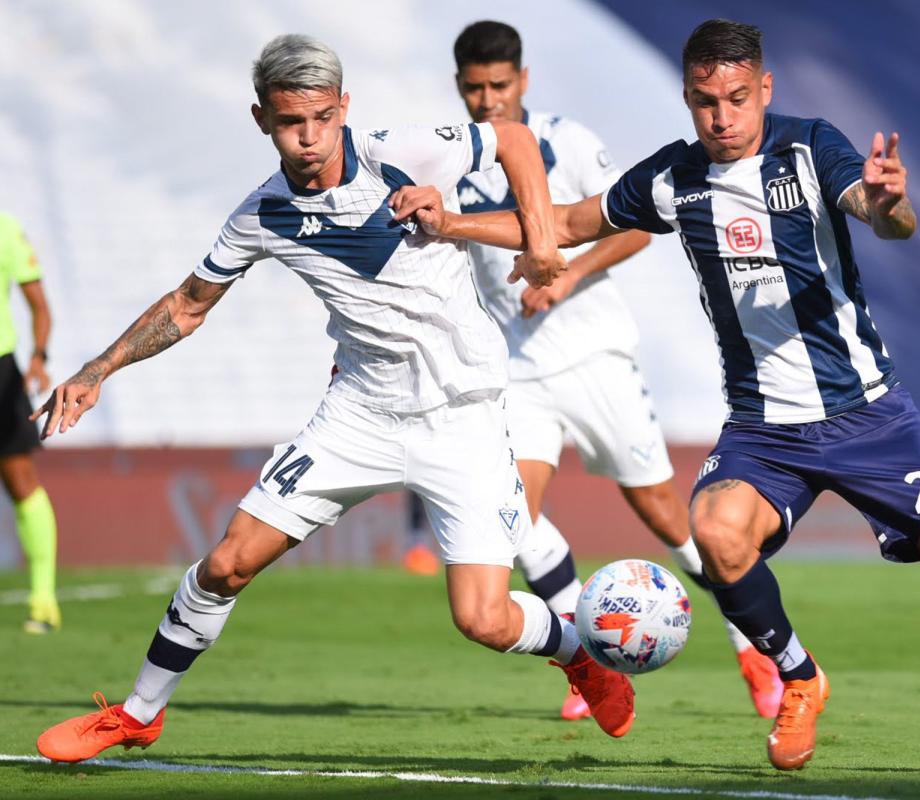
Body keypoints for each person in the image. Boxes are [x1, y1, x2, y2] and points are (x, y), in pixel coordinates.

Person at [391, 18, 920, 779]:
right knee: (713, 535)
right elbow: (565, 223)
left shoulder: (811, 148)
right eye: (707, 102)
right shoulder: (674, 178)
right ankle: (800, 676)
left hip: (869, 416)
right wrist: (449, 223)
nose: (723, 117)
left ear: (764, 89)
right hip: (763, 432)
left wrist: (889, 205)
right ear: (688, 97)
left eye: (738, 98)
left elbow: (884, 218)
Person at [33, 33, 634, 765]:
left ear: (344, 107)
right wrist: (98, 370)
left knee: (482, 618)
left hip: (462, 413)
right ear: (262, 120)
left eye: (322, 117)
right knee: (226, 564)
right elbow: (189, 304)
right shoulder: (261, 214)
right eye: (291, 122)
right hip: (358, 413)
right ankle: (136, 713)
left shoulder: (402, 154)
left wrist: (541, 239)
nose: (309, 136)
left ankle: (579, 654)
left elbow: (511, 138)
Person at [449, 19, 782, 722]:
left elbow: (636, 223)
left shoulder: (565, 142)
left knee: (665, 513)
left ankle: (751, 642)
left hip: (595, 357)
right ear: (460, 87)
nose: (487, 101)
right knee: (512, 517)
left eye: (499, 86)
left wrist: (567, 275)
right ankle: (593, 659)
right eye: (475, 89)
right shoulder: (452, 163)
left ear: (523, 80)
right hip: (518, 370)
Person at [0, 213, 60, 634]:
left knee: (20, 480)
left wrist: (39, 357)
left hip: (0, 374)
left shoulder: (4, 229)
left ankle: (43, 600)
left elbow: (40, 307)